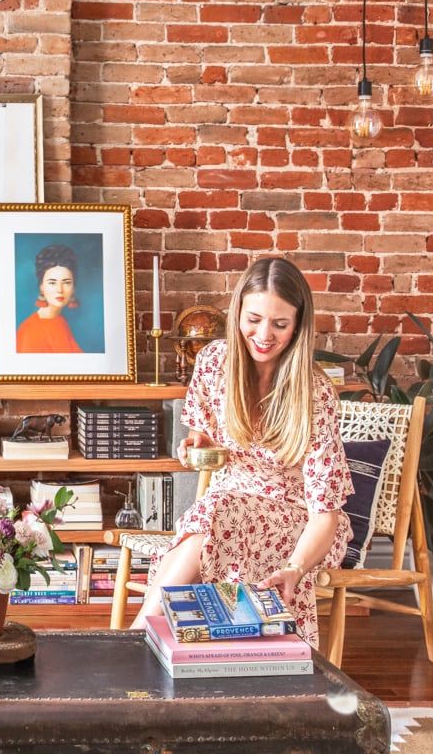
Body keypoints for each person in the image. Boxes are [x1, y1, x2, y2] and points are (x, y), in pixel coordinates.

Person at [128, 257, 352, 648]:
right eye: (254, 319)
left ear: (299, 325)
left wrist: (295, 569)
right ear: (237, 314)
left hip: (300, 521)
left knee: (215, 515)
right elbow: (202, 428)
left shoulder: (315, 394)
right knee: (216, 517)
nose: (264, 334)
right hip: (227, 505)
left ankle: (137, 637)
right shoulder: (214, 361)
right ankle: (162, 650)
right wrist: (199, 442)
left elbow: (325, 515)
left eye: (280, 324)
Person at [15, 244, 84, 353]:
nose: (59, 290)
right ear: (41, 287)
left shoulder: (60, 322)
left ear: (74, 287)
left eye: (67, 283)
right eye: (52, 283)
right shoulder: (30, 331)